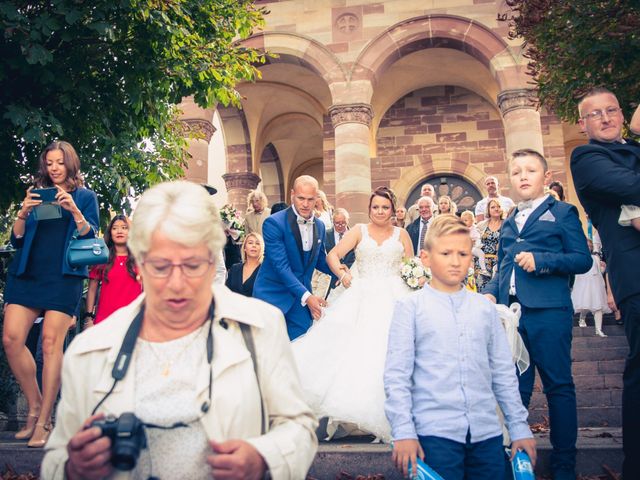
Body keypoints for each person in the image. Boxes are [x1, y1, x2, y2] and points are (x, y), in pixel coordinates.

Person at [41, 180, 318, 480]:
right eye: (160, 266)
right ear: (139, 264)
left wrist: (264, 458)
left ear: (214, 263)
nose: (176, 283)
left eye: (192, 265)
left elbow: (299, 427)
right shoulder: (89, 351)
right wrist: (73, 468)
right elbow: (56, 457)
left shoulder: (260, 328)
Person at [385, 214, 536, 480]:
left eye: (463, 254)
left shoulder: (484, 309)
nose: (455, 261)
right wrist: (404, 431)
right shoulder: (410, 308)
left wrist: (519, 428)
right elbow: (397, 375)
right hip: (435, 434)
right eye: (446, 253)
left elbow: (502, 372)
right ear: (426, 257)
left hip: (486, 433)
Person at [484, 149, 591, 480]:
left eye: (530, 170)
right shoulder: (508, 219)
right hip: (512, 319)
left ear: (545, 177)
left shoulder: (562, 212)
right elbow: (502, 266)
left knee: (558, 386)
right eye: (516, 172)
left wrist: (542, 260)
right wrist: (490, 291)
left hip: (548, 312)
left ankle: (564, 463)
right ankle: (515, 455)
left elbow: (581, 259)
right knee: (515, 389)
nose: (523, 176)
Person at [292, 186, 414, 442]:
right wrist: (344, 275)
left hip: (395, 296)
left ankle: (391, 415)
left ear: (392, 210)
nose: (380, 211)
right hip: (362, 294)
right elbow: (333, 256)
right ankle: (352, 414)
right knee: (357, 349)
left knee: (391, 350)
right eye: (375, 207)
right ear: (369, 209)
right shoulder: (359, 231)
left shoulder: (402, 234)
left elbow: (412, 266)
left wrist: (417, 276)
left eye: (385, 207)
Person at [2, 141, 100, 448]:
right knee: (11, 339)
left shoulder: (85, 196)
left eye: (60, 162)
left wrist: (73, 210)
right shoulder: (35, 195)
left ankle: (45, 420)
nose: (54, 168)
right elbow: (16, 240)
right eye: (50, 163)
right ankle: (35, 404)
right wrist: (22, 212)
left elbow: (91, 236)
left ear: (70, 164)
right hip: (28, 273)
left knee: (49, 344)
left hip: (63, 276)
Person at [570, 87, 640, 478]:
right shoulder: (587, 158)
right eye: (595, 114)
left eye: (612, 109)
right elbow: (631, 187)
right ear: (583, 124)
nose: (606, 117)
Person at [253, 175, 335, 340]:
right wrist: (308, 297)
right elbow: (281, 267)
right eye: (301, 198)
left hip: (299, 302)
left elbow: (319, 260)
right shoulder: (273, 223)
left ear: (317, 198)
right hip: (272, 297)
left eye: (310, 199)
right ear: (292, 195)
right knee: (269, 353)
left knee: (301, 347)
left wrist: (339, 272)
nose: (305, 204)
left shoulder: (319, 225)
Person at [84, 215, 142, 329]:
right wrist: (88, 318)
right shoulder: (102, 258)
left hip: (134, 321)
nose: (119, 231)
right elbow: (91, 289)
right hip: (105, 321)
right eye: (115, 228)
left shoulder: (140, 259)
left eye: (124, 228)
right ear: (110, 233)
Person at [571, 239, 610, 337]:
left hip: (595, 283)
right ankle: (582, 318)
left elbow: (599, 271)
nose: (589, 247)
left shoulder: (595, 258)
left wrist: (603, 268)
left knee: (598, 307)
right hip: (584, 283)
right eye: (587, 245)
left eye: (590, 245)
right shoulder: (578, 257)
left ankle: (598, 329)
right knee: (585, 304)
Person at [323, 208, 355, 292]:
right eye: (337, 223)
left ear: (347, 220)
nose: (340, 226)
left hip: (351, 278)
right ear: (333, 222)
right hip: (330, 279)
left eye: (343, 223)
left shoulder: (355, 235)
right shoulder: (325, 235)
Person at [475, 199, 504, 290]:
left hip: (499, 261)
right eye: (493, 207)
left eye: (498, 206)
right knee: (481, 289)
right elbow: (474, 241)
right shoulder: (481, 225)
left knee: (497, 288)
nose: (496, 209)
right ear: (488, 210)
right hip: (482, 262)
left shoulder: (506, 224)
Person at [225, 232, 264, 297]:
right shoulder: (234, 269)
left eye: (257, 243)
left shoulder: (265, 271)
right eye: (250, 243)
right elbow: (226, 292)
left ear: (261, 249)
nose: (254, 245)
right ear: (244, 248)